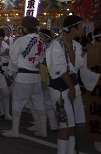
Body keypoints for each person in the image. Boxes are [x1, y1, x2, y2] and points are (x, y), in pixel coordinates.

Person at [46, 15, 86, 153]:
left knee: (72, 123)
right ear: (73, 28)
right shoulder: (56, 45)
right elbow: (59, 70)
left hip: (72, 86)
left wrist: (69, 46)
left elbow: (76, 65)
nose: (83, 29)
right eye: (81, 26)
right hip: (61, 88)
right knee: (66, 124)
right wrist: (71, 88)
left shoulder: (76, 45)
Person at [3, 16, 47, 138]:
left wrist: (11, 72)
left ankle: (15, 130)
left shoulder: (21, 41)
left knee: (18, 102)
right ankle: (43, 129)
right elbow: (43, 59)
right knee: (39, 103)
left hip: (23, 76)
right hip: (36, 76)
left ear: (25, 28)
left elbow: (13, 56)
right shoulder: (41, 41)